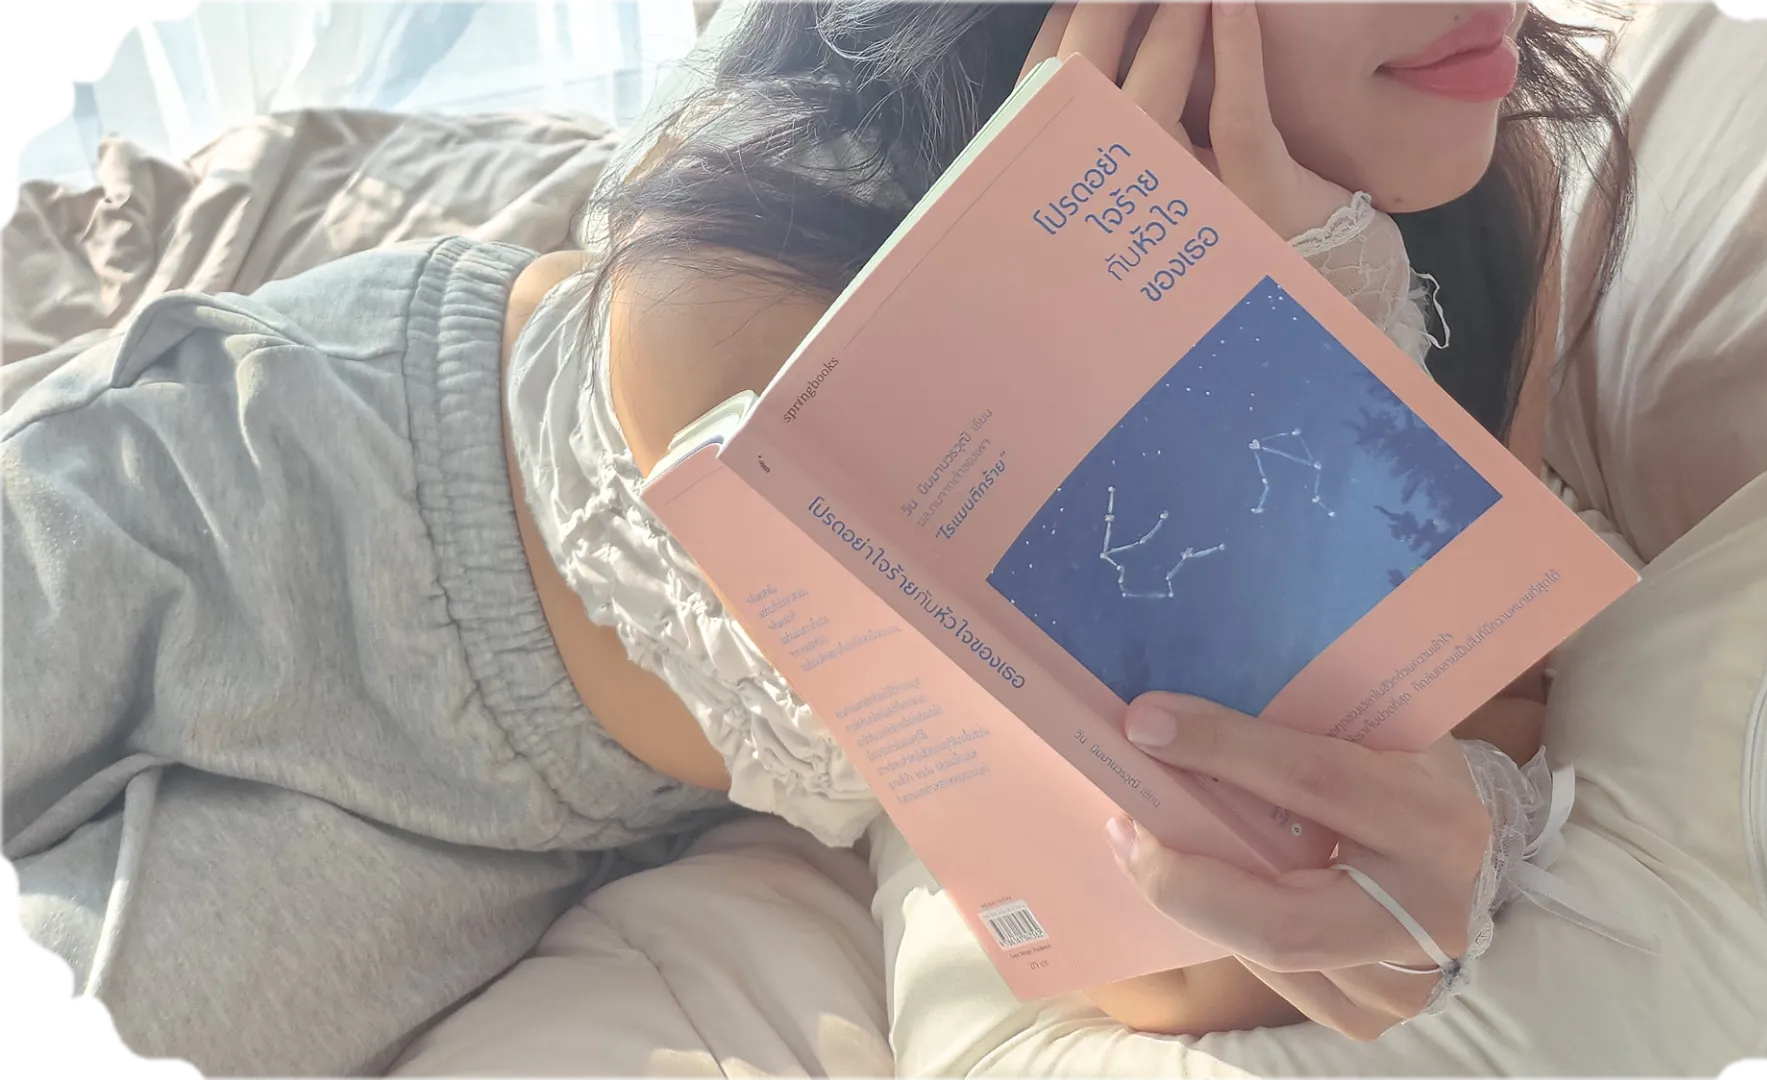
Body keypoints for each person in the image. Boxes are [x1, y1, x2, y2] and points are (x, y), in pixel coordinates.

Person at [1, 3, 1633, 1076]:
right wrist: (1208, 303)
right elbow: (1174, 937)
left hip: (523, 811)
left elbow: (1205, 897)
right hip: (264, 490)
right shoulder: (771, 277)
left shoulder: (1484, 185)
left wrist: (1331, 308)